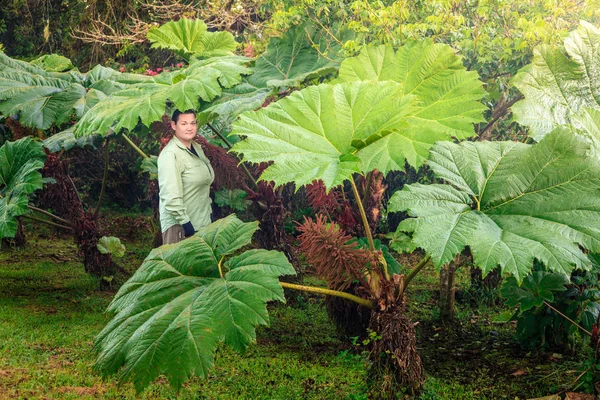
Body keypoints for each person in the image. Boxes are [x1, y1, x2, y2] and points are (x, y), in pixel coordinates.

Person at [158, 109, 214, 244]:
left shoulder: (197, 148)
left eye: (193, 123)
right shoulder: (170, 154)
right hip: (181, 227)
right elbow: (170, 197)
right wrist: (186, 224)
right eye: (184, 124)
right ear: (173, 125)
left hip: (202, 224)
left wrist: (209, 214)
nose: (189, 128)